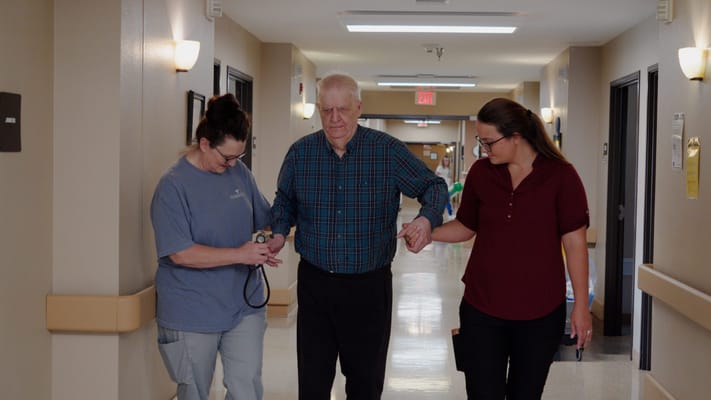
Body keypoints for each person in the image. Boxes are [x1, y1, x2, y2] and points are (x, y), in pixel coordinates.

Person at [269, 73, 448, 400]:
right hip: (315, 283)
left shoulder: (387, 152)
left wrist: (425, 219)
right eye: (326, 110)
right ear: (318, 110)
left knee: (365, 382)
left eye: (343, 109)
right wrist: (279, 232)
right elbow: (285, 199)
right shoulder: (300, 154)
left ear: (358, 108)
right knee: (313, 381)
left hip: (368, 286)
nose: (334, 118)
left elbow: (433, 187)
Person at [427, 98, 592, 399]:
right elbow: (465, 226)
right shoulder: (481, 173)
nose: (484, 149)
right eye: (481, 142)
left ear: (516, 136)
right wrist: (428, 233)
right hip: (482, 307)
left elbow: (575, 243)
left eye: (490, 142)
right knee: (481, 393)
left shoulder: (561, 176)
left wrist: (581, 306)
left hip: (540, 312)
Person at [150, 93, 281, 400]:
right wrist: (240, 254)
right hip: (191, 310)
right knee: (194, 392)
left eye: (239, 157)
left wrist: (263, 244)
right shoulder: (173, 186)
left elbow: (263, 218)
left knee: (246, 387)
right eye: (227, 157)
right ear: (205, 143)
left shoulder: (238, 173)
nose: (233, 164)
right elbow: (180, 252)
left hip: (244, 306)